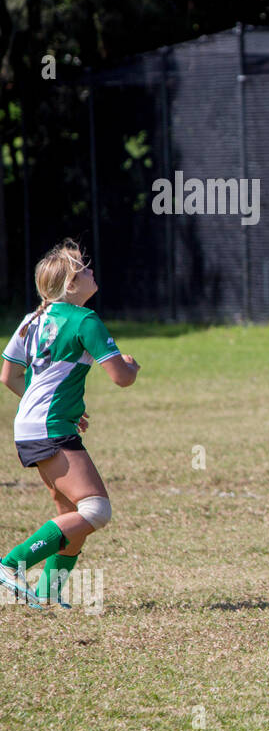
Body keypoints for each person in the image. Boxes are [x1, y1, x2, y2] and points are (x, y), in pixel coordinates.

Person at [0, 240, 139, 610]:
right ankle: (11, 563)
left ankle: (47, 591)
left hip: (28, 426)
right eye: (83, 269)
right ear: (71, 286)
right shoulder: (85, 320)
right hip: (50, 427)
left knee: (70, 514)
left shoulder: (31, 320)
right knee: (96, 511)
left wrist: (43, 404)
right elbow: (121, 378)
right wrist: (131, 365)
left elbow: (8, 376)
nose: (91, 271)